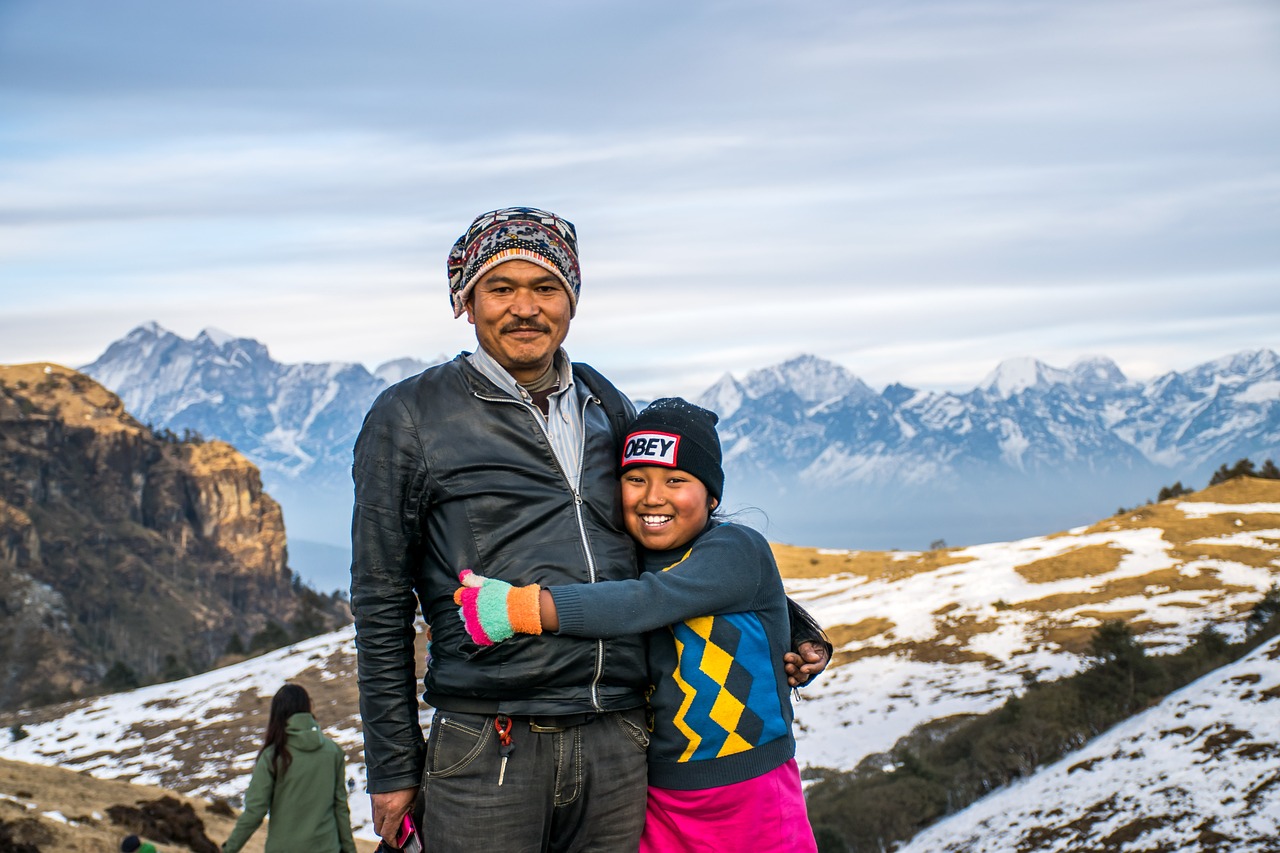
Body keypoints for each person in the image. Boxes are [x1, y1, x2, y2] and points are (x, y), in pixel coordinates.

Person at [350, 206, 830, 851]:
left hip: (621, 740)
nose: (525, 308)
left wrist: (787, 625)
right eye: (501, 288)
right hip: (491, 742)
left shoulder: (605, 404)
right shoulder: (411, 415)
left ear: (572, 301)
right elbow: (380, 596)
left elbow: (660, 542)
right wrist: (393, 765)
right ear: (466, 301)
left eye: (546, 288)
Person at [455, 398, 820, 851]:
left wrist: (522, 610)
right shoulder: (623, 558)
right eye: (635, 479)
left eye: (676, 480)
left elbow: (650, 600)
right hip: (660, 793)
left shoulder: (735, 547)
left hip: (750, 788)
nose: (653, 496)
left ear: (712, 495)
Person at [221, 683, 357, 853]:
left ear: (277, 714)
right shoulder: (333, 751)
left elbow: (255, 812)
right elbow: (341, 809)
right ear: (308, 708)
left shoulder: (273, 756)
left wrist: (228, 849)